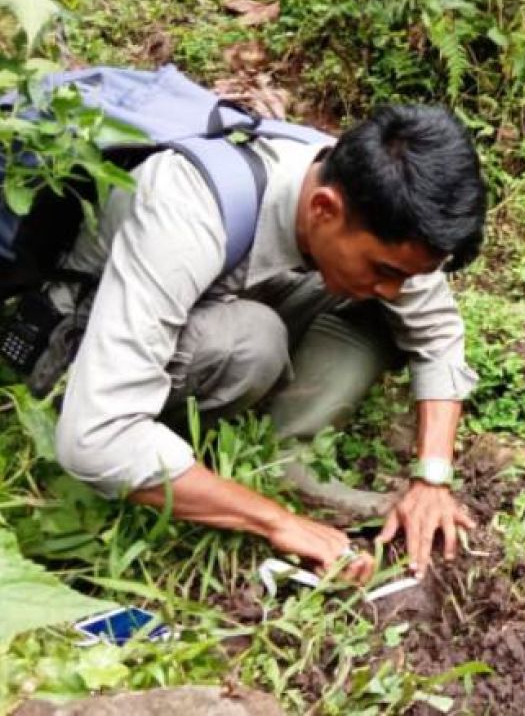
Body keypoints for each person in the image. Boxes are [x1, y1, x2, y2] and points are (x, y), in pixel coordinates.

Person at [51, 104, 486, 583]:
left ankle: (288, 452)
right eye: (385, 269)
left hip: (221, 294)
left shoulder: (370, 196)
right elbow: (94, 441)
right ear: (324, 209)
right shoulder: (187, 210)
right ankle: (205, 449)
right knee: (253, 342)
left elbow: (437, 336)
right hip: (86, 329)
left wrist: (432, 478)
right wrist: (277, 521)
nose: (394, 286)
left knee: (383, 310)